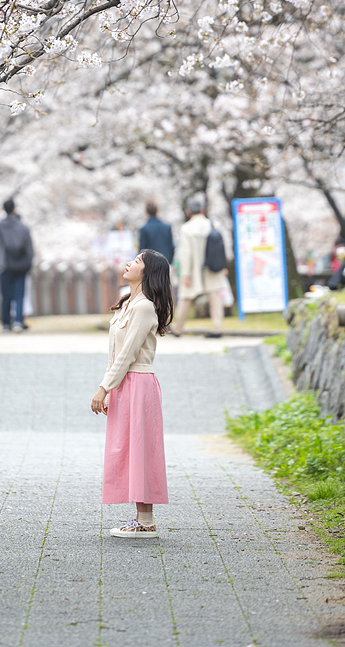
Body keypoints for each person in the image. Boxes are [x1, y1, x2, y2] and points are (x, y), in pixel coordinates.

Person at [91, 250, 173, 538]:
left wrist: (103, 388)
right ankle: (142, 519)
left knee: (141, 450)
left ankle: (146, 521)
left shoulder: (144, 308)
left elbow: (127, 355)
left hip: (138, 383)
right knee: (127, 449)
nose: (129, 263)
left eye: (137, 261)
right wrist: (111, 388)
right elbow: (115, 355)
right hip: (126, 384)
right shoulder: (128, 304)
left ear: (148, 271)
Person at [173, 197, 226, 335]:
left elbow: (186, 253)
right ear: (203, 209)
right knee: (215, 296)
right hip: (212, 267)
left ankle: (178, 329)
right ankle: (217, 328)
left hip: (193, 268)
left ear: (189, 211)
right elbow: (221, 248)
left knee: (185, 297)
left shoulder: (186, 228)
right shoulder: (214, 224)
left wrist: (185, 274)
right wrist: (222, 266)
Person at [0, 199, 34, 332]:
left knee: (5, 295)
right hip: (21, 266)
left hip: (4, 265)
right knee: (19, 295)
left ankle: (5, 323)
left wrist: (1, 256)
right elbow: (30, 248)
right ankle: (18, 321)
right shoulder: (23, 227)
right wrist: (27, 262)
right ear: (14, 208)